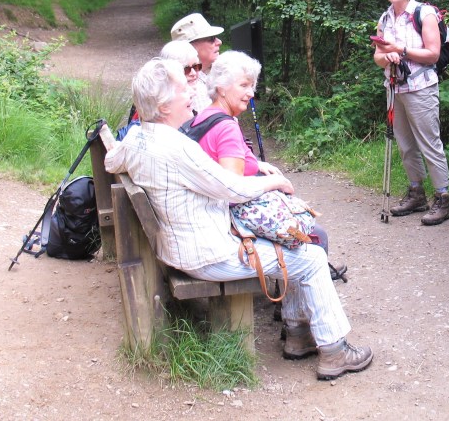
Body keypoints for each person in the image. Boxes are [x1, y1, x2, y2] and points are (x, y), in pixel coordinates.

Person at [102, 58, 373, 379]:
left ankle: (300, 336)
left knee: (292, 245)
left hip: (178, 247)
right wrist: (275, 182)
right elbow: (232, 188)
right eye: (182, 87)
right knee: (311, 255)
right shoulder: (177, 148)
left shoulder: (138, 138)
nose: (192, 91)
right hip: (207, 254)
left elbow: (110, 160)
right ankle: (335, 351)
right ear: (163, 105)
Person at [193, 50, 347, 281]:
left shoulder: (205, 116)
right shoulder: (226, 127)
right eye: (244, 85)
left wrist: (257, 164)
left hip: (211, 213)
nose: (250, 93)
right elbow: (233, 189)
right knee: (315, 235)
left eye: (252, 85)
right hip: (229, 221)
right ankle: (298, 311)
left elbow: (226, 161)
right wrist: (276, 183)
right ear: (222, 87)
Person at [372, 0, 449, 226]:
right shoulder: (385, 19)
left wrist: (402, 50)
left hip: (421, 87)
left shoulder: (424, 14)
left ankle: (443, 199)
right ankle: (417, 193)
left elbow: (433, 53)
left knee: (430, 143)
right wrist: (388, 56)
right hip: (395, 88)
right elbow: (377, 57)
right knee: (405, 145)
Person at [170, 13, 223, 112]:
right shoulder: (195, 88)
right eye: (211, 39)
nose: (219, 42)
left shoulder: (198, 77)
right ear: (190, 47)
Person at [160, 40, 204, 110]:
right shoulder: (164, 104)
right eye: (186, 69)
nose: (193, 73)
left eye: (196, 66)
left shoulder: (203, 90)